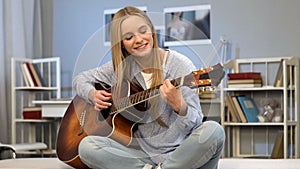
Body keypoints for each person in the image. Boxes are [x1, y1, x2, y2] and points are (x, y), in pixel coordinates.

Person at [73, 6, 225, 169]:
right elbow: (80, 79)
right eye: (129, 37)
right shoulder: (121, 68)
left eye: (142, 31)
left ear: (151, 31)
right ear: (121, 44)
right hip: (141, 155)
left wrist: (180, 106)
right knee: (87, 147)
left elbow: (195, 125)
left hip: (181, 151)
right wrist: (91, 94)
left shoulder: (180, 65)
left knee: (214, 131)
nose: (138, 39)